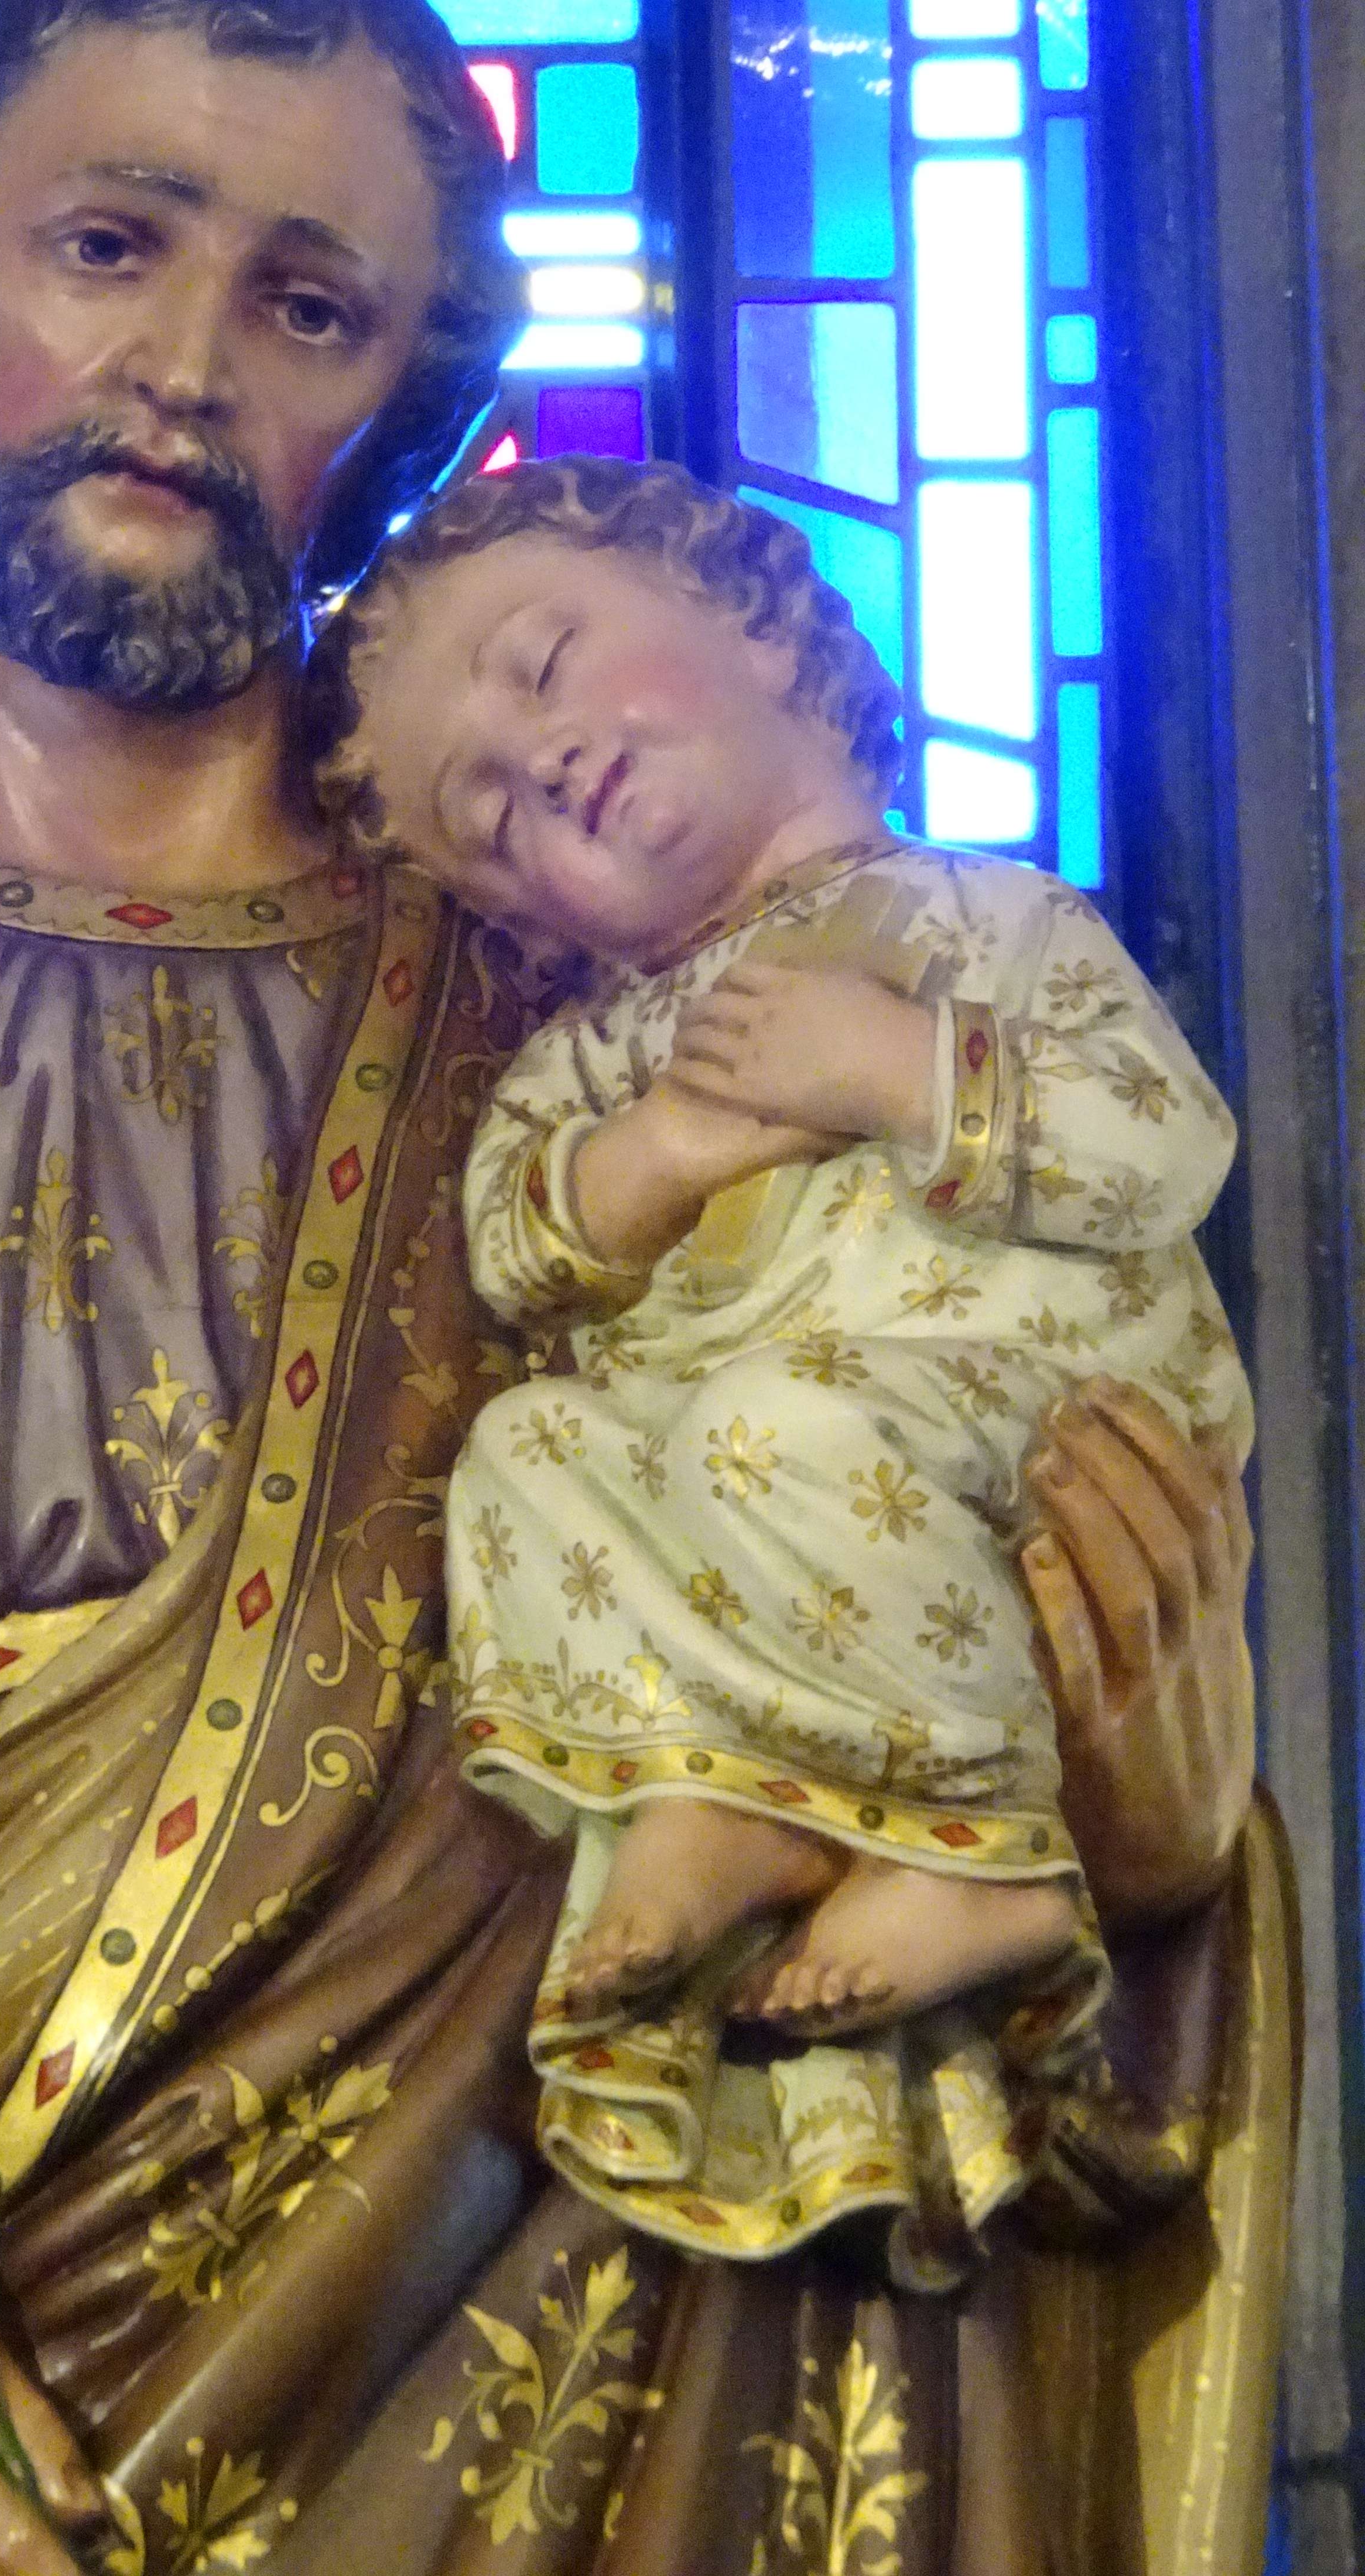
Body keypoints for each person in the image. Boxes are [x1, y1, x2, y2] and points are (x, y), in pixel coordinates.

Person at [0, 0, 1269, 2576]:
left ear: (401, 419)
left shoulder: (588, 967)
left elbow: (975, 1449)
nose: (187, 358)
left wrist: (1148, 1850)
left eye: (310, 308)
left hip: (647, 2345)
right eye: (106, 243)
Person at [312, 454, 1254, 2289]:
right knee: (529, 1451)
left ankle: (987, 1856)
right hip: (761, 1478)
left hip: (1024, 1405)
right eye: (489, 814)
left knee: (771, 1427)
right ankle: (724, 1807)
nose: (540, 765)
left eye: (544, 662)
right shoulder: (612, 1048)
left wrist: (896, 1071)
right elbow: (518, 1247)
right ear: (535, 924)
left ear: (755, 618)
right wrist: (663, 1151)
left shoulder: (987, 919)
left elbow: (1162, 1145)